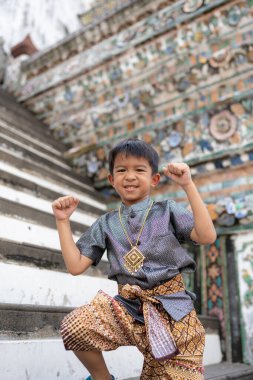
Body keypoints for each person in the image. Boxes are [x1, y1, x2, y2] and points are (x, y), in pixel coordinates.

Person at [52, 138, 216, 380]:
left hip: (174, 309)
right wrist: (62, 221)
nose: (129, 176)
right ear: (112, 180)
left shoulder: (167, 210)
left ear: (154, 179)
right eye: (121, 170)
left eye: (139, 170)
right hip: (128, 307)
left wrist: (188, 184)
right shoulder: (106, 223)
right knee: (76, 326)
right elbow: (76, 266)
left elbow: (206, 235)